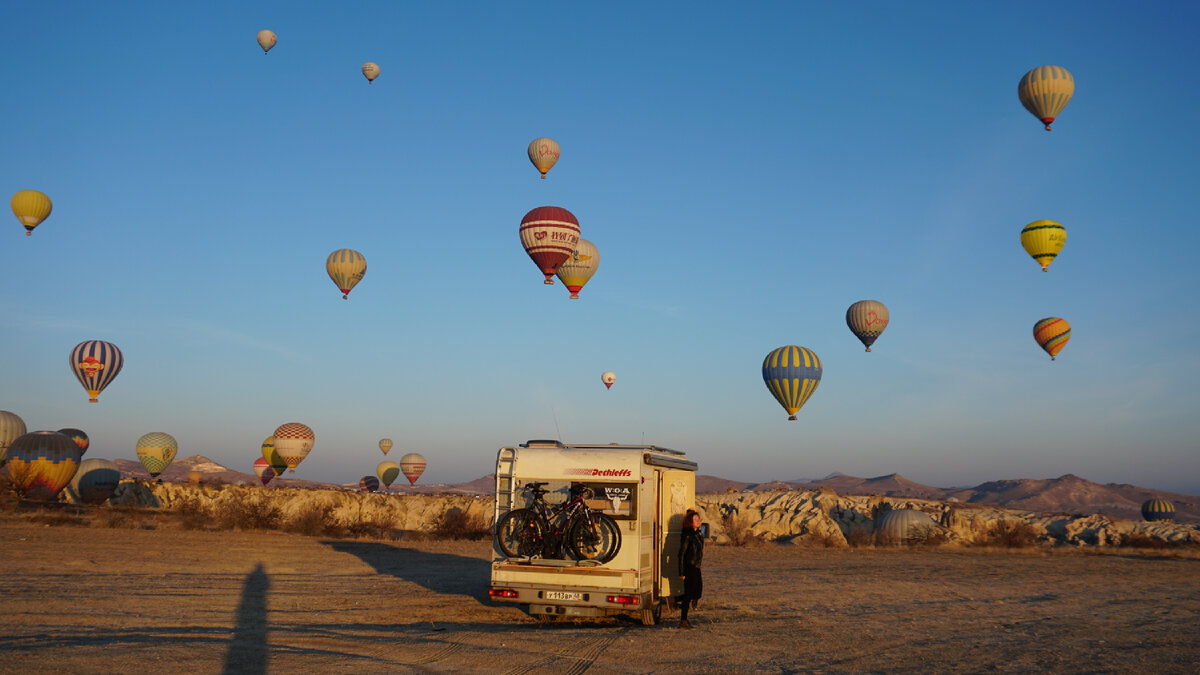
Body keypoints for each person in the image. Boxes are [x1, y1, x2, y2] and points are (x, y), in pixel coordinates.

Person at [677, 509, 704, 629]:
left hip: (697, 566)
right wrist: (681, 572)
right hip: (690, 566)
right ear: (690, 522)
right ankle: (683, 620)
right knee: (689, 594)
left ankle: (677, 599)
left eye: (698, 519)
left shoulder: (697, 534)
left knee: (698, 590)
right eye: (695, 520)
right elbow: (681, 554)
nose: (698, 521)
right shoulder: (687, 535)